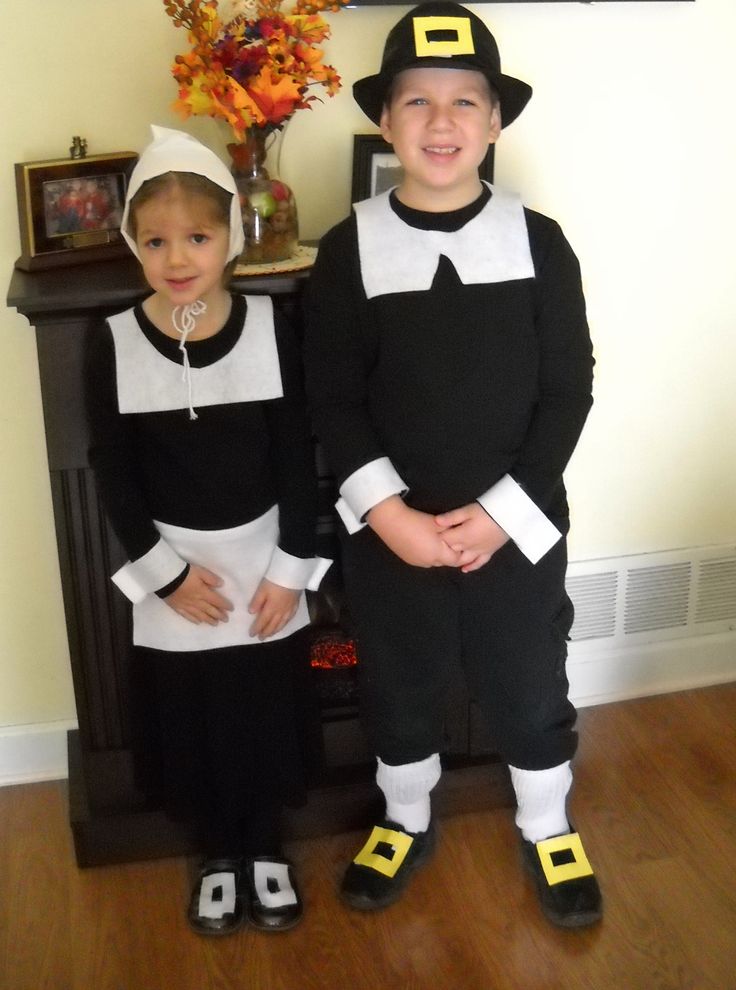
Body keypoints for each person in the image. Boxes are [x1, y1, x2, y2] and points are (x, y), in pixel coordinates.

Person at [304, 2, 602, 928]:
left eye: (464, 101)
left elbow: (568, 392)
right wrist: (390, 516)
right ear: (384, 121)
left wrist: (505, 511)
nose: (441, 122)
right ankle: (403, 816)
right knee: (397, 678)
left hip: (516, 525)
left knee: (526, 677)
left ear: (494, 120)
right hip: (392, 532)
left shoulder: (540, 242)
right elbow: (335, 400)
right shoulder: (348, 248)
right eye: (418, 102)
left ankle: (547, 823)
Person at [85, 125, 330, 936]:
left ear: (233, 236)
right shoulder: (112, 341)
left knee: (261, 708)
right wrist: (165, 575)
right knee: (193, 717)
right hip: (175, 569)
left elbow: (297, 454)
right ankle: (216, 850)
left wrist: (292, 568)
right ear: (133, 243)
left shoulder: (267, 326)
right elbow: (113, 471)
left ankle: (263, 843)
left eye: (198, 236)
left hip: (263, 562)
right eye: (155, 240)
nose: (178, 256)